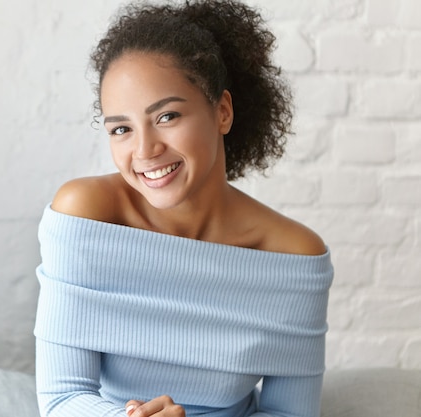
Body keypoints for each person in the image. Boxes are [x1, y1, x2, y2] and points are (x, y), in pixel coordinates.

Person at [34, 1, 334, 416]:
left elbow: (289, 413)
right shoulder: (85, 215)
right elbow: (63, 398)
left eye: (168, 115)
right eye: (121, 128)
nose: (145, 150)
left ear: (222, 111)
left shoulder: (293, 256)